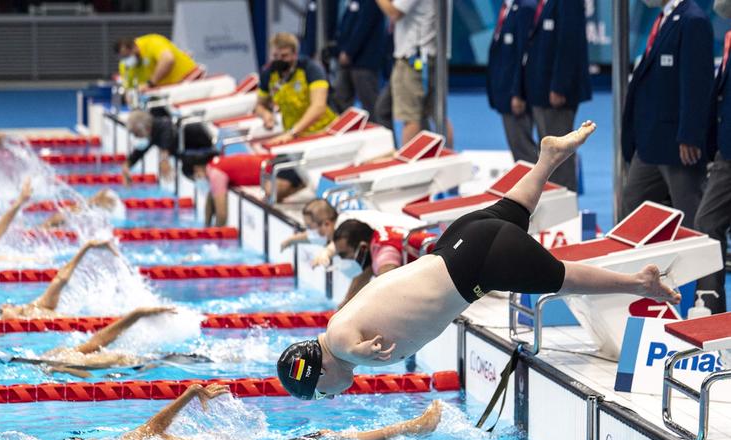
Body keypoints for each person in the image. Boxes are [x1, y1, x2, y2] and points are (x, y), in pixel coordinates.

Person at [276, 121, 682, 400]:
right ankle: (548, 158)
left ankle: (638, 283)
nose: (329, 396)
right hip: (459, 241)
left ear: (321, 372)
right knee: (515, 209)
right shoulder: (339, 324)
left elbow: (348, 346)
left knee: (561, 280)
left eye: (321, 391)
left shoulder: (342, 342)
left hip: (471, 265)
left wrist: (360, 354)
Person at [59, 383, 443, 440]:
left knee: (323, 438)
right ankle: (411, 428)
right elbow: (156, 426)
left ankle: (410, 429)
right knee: (325, 436)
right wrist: (191, 394)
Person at [621, 0, 713, 229]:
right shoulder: (664, 18)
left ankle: (702, 266)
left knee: (690, 216)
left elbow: (697, 84)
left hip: (678, 145)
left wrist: (690, 135)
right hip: (650, 141)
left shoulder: (693, 21)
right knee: (632, 206)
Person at [5, 306, 209, 378]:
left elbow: (100, 340)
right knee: (209, 359)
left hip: (147, 361)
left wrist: (137, 314)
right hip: (143, 367)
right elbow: (93, 377)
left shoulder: (61, 354)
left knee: (208, 358)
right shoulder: (62, 364)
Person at [521, 0, 592, 191]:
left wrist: (560, 86)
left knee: (559, 157)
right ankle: (554, 205)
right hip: (542, 90)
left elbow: (569, 41)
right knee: (549, 154)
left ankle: (565, 212)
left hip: (555, 94)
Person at [694, 0, 731, 314]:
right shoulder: (729, 36)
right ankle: (708, 306)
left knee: (707, 222)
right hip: (726, 152)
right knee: (707, 222)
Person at [0, 239, 119, 320]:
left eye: (4, 306)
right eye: (4, 307)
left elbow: (61, 278)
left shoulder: (35, 306)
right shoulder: (25, 312)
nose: (5, 305)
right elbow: (8, 316)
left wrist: (87, 246)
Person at [255, 32, 337, 145]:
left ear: (295, 54)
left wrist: (292, 132)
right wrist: (265, 114)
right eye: (275, 56)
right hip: (293, 136)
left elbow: (319, 106)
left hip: (324, 132)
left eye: (284, 56)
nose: (279, 59)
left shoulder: (311, 69)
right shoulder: (268, 74)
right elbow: (259, 105)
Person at [376, 0, 435, 145]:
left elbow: (394, 12)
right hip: (423, 57)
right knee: (384, 109)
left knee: (411, 117)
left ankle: (409, 165)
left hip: (413, 59)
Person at [487, 0, 537, 163]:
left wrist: (518, 93)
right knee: (518, 148)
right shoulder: (508, 7)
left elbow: (524, 55)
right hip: (504, 90)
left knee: (523, 149)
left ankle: (536, 188)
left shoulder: (526, 8)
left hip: (514, 94)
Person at [123, 110, 214, 185]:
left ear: (146, 128)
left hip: (201, 143)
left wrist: (164, 158)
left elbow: (166, 131)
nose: (136, 137)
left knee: (187, 170)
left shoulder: (162, 124)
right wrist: (127, 166)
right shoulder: (151, 131)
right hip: (191, 149)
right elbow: (139, 152)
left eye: (137, 134)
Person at [333, 0, 388, 116]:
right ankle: (348, 131)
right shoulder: (352, 2)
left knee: (371, 105)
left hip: (364, 61)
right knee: (340, 98)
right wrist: (339, 50)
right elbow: (345, 27)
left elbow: (364, 26)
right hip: (347, 60)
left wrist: (349, 52)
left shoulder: (371, 3)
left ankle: (377, 133)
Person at [115, 34, 200, 92]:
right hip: (165, 91)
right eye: (123, 57)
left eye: (128, 55)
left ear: (135, 47)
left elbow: (168, 59)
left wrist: (150, 83)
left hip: (189, 79)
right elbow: (129, 91)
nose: (127, 59)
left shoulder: (152, 41)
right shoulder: (124, 65)